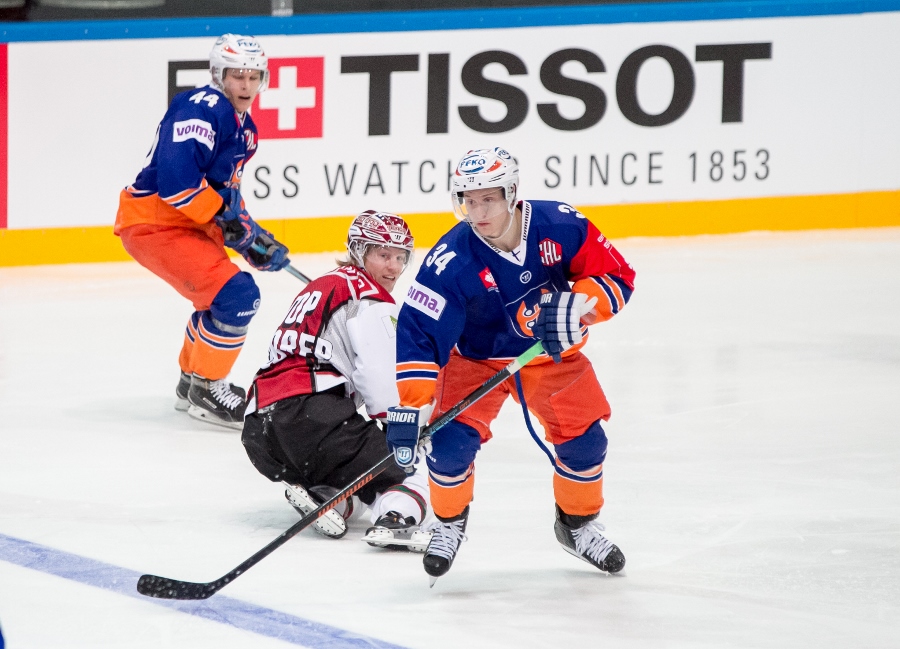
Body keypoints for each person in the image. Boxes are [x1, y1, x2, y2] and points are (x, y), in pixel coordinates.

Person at [386, 147, 636, 583]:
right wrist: (412, 406)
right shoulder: (450, 260)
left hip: (546, 356)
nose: (477, 211)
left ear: (513, 194)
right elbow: (419, 332)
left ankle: (576, 526)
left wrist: (579, 306)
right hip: (474, 361)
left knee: (586, 441)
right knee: (448, 449)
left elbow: (618, 276)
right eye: (469, 199)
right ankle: (447, 524)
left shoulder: (561, 223)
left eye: (488, 199)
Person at [114, 34, 289, 430]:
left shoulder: (245, 128)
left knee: (220, 300)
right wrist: (234, 229)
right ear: (218, 75)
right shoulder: (203, 107)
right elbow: (178, 185)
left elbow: (224, 196)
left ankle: (192, 380)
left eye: (253, 76)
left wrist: (253, 238)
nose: (245, 85)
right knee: (237, 296)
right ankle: (209, 388)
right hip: (156, 222)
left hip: (184, 223)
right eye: (236, 75)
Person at [241, 211, 431, 550]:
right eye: (383, 255)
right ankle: (395, 521)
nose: (393, 267)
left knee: (356, 470)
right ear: (359, 251)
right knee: (413, 467)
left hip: (260, 430)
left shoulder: (325, 285)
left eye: (401, 257)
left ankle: (330, 500)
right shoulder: (369, 296)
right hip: (313, 417)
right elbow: (378, 376)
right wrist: (399, 430)